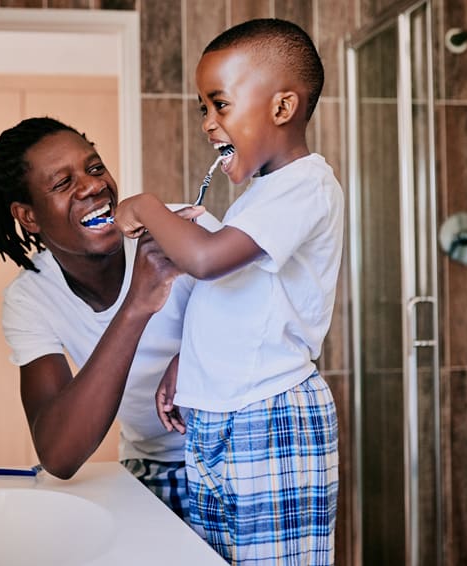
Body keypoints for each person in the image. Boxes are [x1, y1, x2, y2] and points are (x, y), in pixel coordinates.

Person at [113, 19, 343, 564]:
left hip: (271, 416)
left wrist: (145, 206)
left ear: (282, 107)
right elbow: (239, 301)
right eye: (203, 109)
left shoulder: (307, 184)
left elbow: (208, 263)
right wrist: (186, 369)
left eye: (220, 105)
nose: (208, 124)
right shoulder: (262, 195)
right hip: (223, 415)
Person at [0, 116, 211, 519]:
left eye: (95, 168)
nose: (93, 185)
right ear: (28, 216)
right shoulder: (32, 297)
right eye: (62, 183)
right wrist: (137, 304)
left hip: (235, 454)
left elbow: (264, 327)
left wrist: (196, 359)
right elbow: (59, 454)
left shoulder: (176, 230)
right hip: (151, 468)